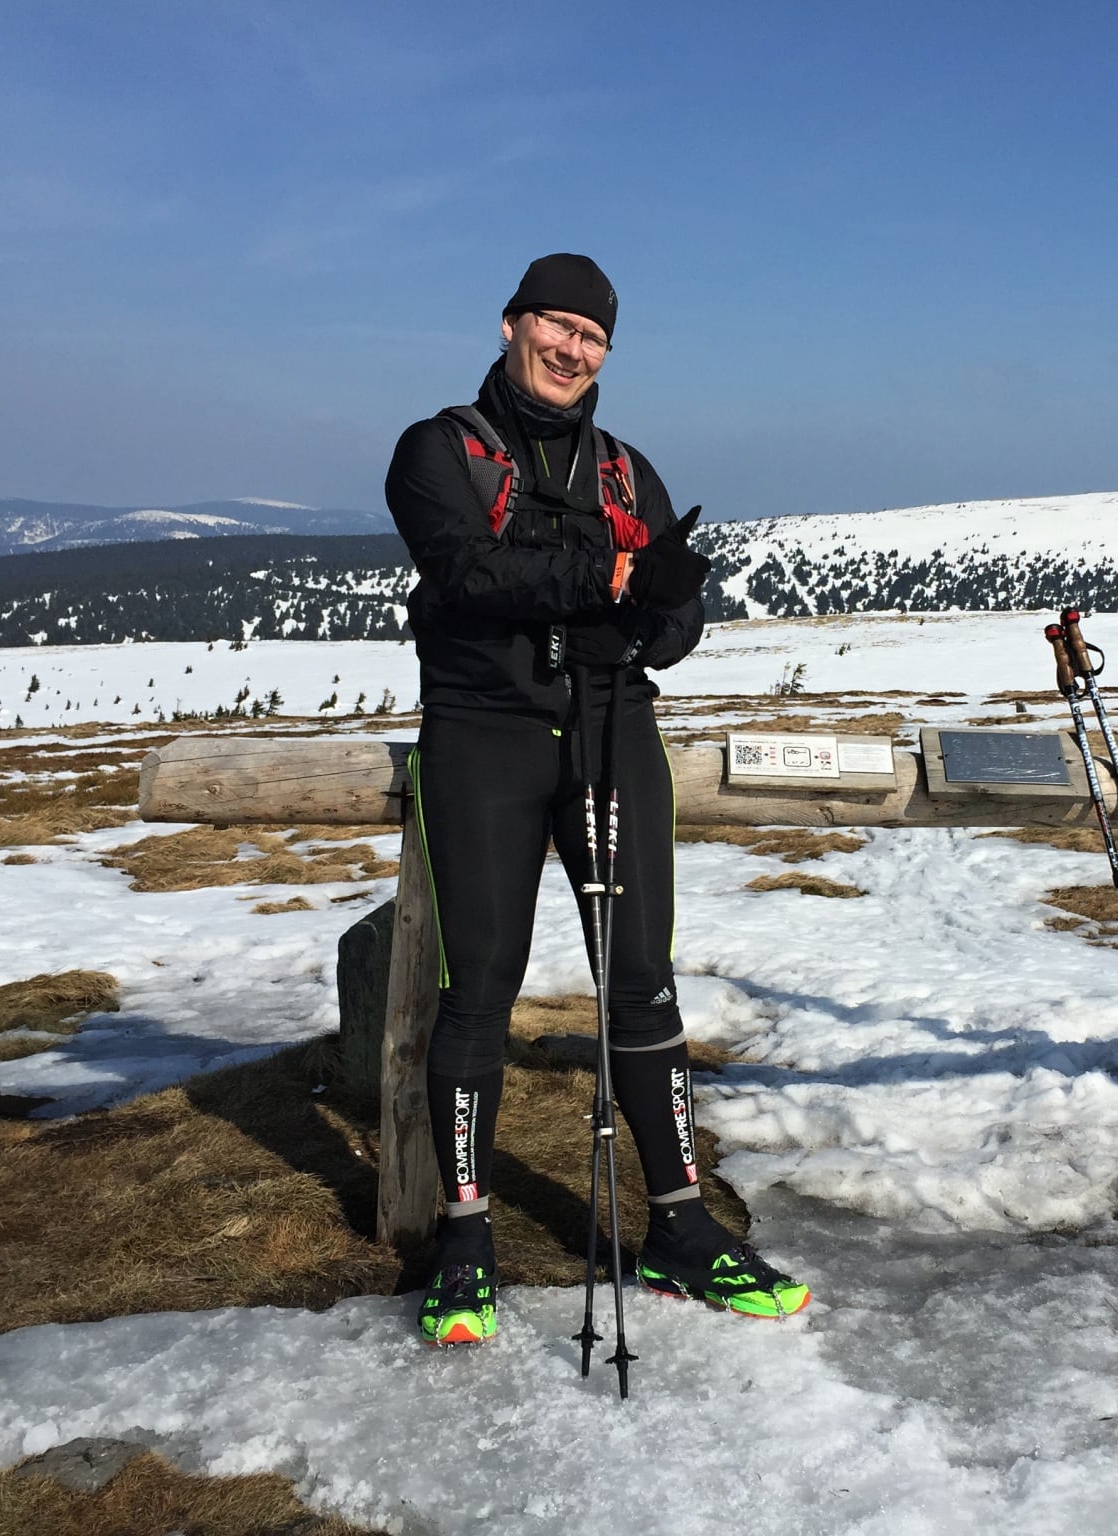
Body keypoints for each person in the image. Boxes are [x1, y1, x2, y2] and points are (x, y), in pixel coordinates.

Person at [384, 253, 811, 1346]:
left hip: (615, 731)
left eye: (592, 337)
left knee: (641, 986)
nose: (571, 350)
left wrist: (661, 615)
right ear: (511, 323)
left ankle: (679, 1228)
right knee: (478, 990)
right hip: (483, 735)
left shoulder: (625, 469)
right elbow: (465, 573)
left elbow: (677, 618)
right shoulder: (439, 449)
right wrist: (612, 579)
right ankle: (465, 1242)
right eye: (556, 325)